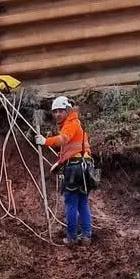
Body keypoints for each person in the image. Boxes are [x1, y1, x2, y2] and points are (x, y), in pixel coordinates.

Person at [42, 95, 94, 245]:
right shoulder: (76, 123)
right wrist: (59, 163)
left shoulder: (70, 123)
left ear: (67, 110)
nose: (57, 114)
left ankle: (71, 238)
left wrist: (46, 141)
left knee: (71, 203)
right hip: (85, 167)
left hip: (74, 169)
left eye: (60, 111)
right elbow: (73, 150)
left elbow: (63, 139)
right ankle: (86, 236)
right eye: (55, 111)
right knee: (83, 202)